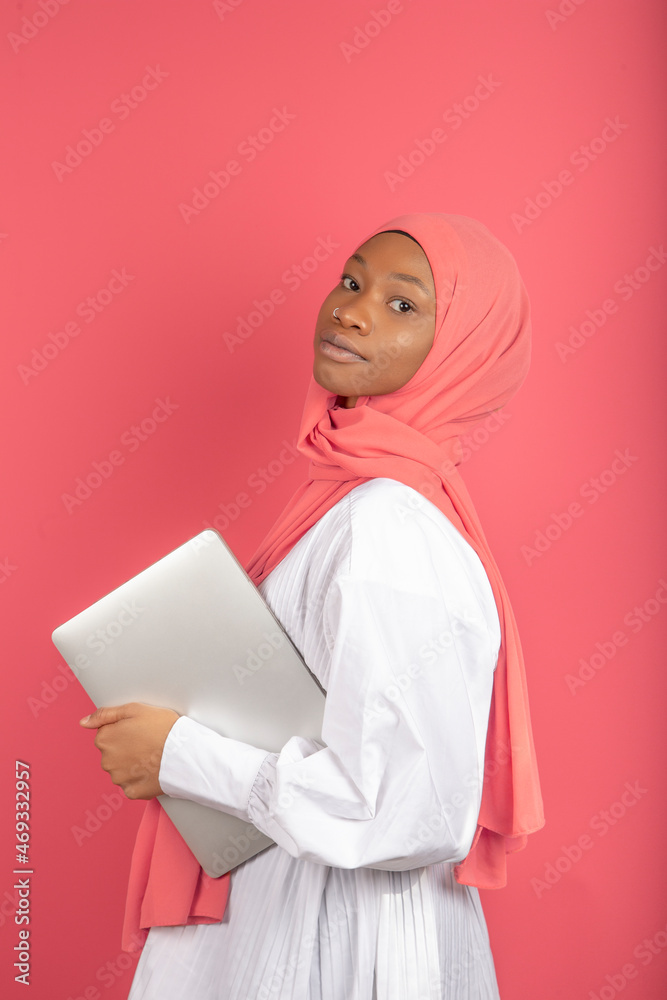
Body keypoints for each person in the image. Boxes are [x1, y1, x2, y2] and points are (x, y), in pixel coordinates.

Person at [80, 213, 545, 999]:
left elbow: (400, 808)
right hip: (304, 908)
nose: (351, 310)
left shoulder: (386, 527)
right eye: (352, 281)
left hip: (332, 934)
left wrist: (180, 753)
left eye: (403, 305)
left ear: (465, 352)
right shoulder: (352, 508)